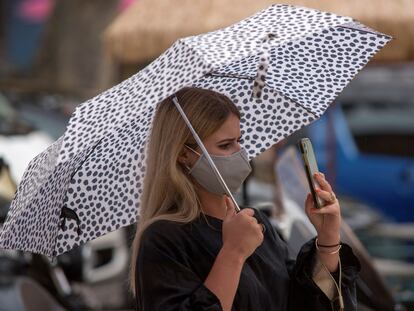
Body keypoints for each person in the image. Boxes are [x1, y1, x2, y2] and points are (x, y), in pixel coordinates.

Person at [130, 87, 360, 310]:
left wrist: (328, 237)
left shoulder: (255, 222)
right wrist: (233, 253)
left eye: (239, 140)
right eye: (225, 145)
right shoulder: (164, 239)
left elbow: (305, 301)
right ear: (183, 154)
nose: (240, 153)